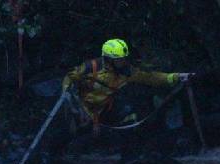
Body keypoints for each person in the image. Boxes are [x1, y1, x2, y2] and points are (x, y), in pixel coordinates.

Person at [61, 39, 193, 141]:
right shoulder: (91, 67)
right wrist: (67, 94)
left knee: (131, 114)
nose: (123, 62)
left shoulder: (127, 71)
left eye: (124, 59)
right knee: (70, 133)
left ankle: (127, 152)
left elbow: (150, 77)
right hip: (82, 109)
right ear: (108, 60)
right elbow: (70, 77)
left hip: (104, 110)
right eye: (119, 60)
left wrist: (176, 77)